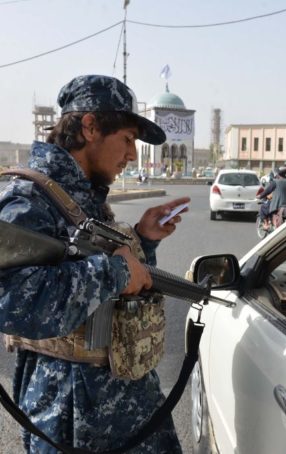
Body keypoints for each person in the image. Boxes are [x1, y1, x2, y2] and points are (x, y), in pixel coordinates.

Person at [0, 75, 190, 453]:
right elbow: (11, 301)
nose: (133, 155)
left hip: (124, 399)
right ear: (89, 127)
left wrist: (144, 239)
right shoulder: (29, 199)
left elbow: (102, 284)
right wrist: (114, 271)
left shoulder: (82, 195)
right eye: (127, 139)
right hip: (73, 413)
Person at [258, 165, 286, 229]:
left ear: (278, 174)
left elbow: (266, 192)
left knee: (263, 207)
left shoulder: (275, 182)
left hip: (279, 205)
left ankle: (266, 224)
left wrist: (260, 196)